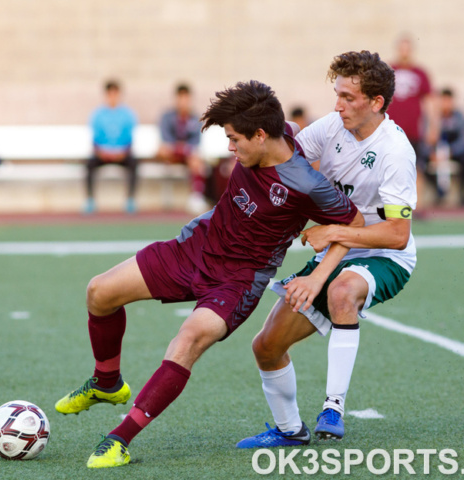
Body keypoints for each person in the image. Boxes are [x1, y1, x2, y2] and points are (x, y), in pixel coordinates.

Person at [54, 80, 363, 468]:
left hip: (238, 281)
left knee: (188, 339)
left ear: (261, 135)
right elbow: (293, 130)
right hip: (194, 248)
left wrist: (320, 275)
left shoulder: (306, 184)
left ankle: (119, 439)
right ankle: (107, 383)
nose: (230, 148)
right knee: (99, 291)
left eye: (235, 139)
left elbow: (355, 223)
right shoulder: (278, 136)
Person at [237, 50, 417, 447]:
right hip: (336, 249)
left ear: (376, 103)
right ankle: (290, 431)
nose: (338, 106)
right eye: (337, 95)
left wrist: (332, 232)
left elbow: (396, 235)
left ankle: (333, 407)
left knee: (339, 292)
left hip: (384, 257)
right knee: (266, 347)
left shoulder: (395, 153)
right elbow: (288, 159)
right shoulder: (332, 126)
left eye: (348, 98)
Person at [385, 34, 437, 203]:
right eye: (402, 48)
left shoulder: (420, 73)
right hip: (390, 130)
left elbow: (429, 102)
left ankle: (417, 205)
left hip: (413, 130)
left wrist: (432, 127)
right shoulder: (387, 71)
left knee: (416, 168)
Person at [86, 80, 139, 214]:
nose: (112, 97)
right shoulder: (98, 115)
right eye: (110, 93)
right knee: (89, 164)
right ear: (106, 95)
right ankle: (90, 200)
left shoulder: (127, 114)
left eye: (115, 93)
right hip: (103, 155)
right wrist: (102, 152)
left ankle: (130, 200)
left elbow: (130, 139)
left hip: (122, 154)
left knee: (134, 163)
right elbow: (95, 140)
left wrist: (123, 152)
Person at [156, 84, 208, 214]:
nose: (183, 102)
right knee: (162, 150)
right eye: (181, 98)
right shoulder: (167, 116)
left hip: (187, 155)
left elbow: (196, 142)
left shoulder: (195, 118)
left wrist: (183, 148)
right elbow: (165, 139)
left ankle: (196, 197)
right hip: (171, 154)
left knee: (197, 160)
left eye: (186, 98)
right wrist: (177, 147)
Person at [428, 88, 464, 207]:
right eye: (443, 101)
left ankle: (463, 195)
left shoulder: (460, 118)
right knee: (423, 161)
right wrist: (432, 152)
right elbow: (426, 140)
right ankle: (439, 192)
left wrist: (452, 151)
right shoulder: (434, 119)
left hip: (454, 151)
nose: (446, 104)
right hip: (438, 151)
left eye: (448, 101)